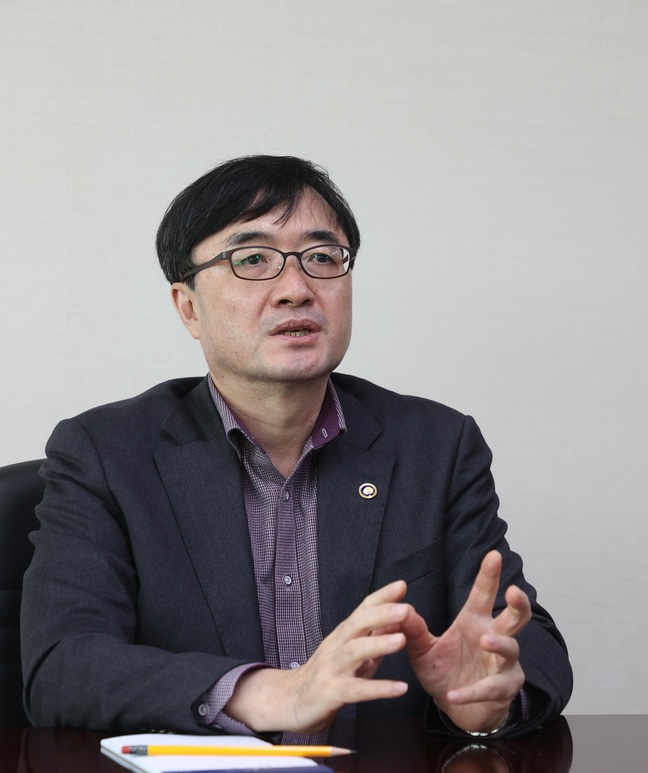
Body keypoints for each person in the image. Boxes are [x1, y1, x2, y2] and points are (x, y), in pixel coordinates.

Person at [21, 155, 572, 738]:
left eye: (322, 257)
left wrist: (486, 699)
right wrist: (272, 693)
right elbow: (61, 668)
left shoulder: (435, 446)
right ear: (189, 308)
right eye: (252, 259)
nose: (296, 289)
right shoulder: (106, 454)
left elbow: (527, 640)